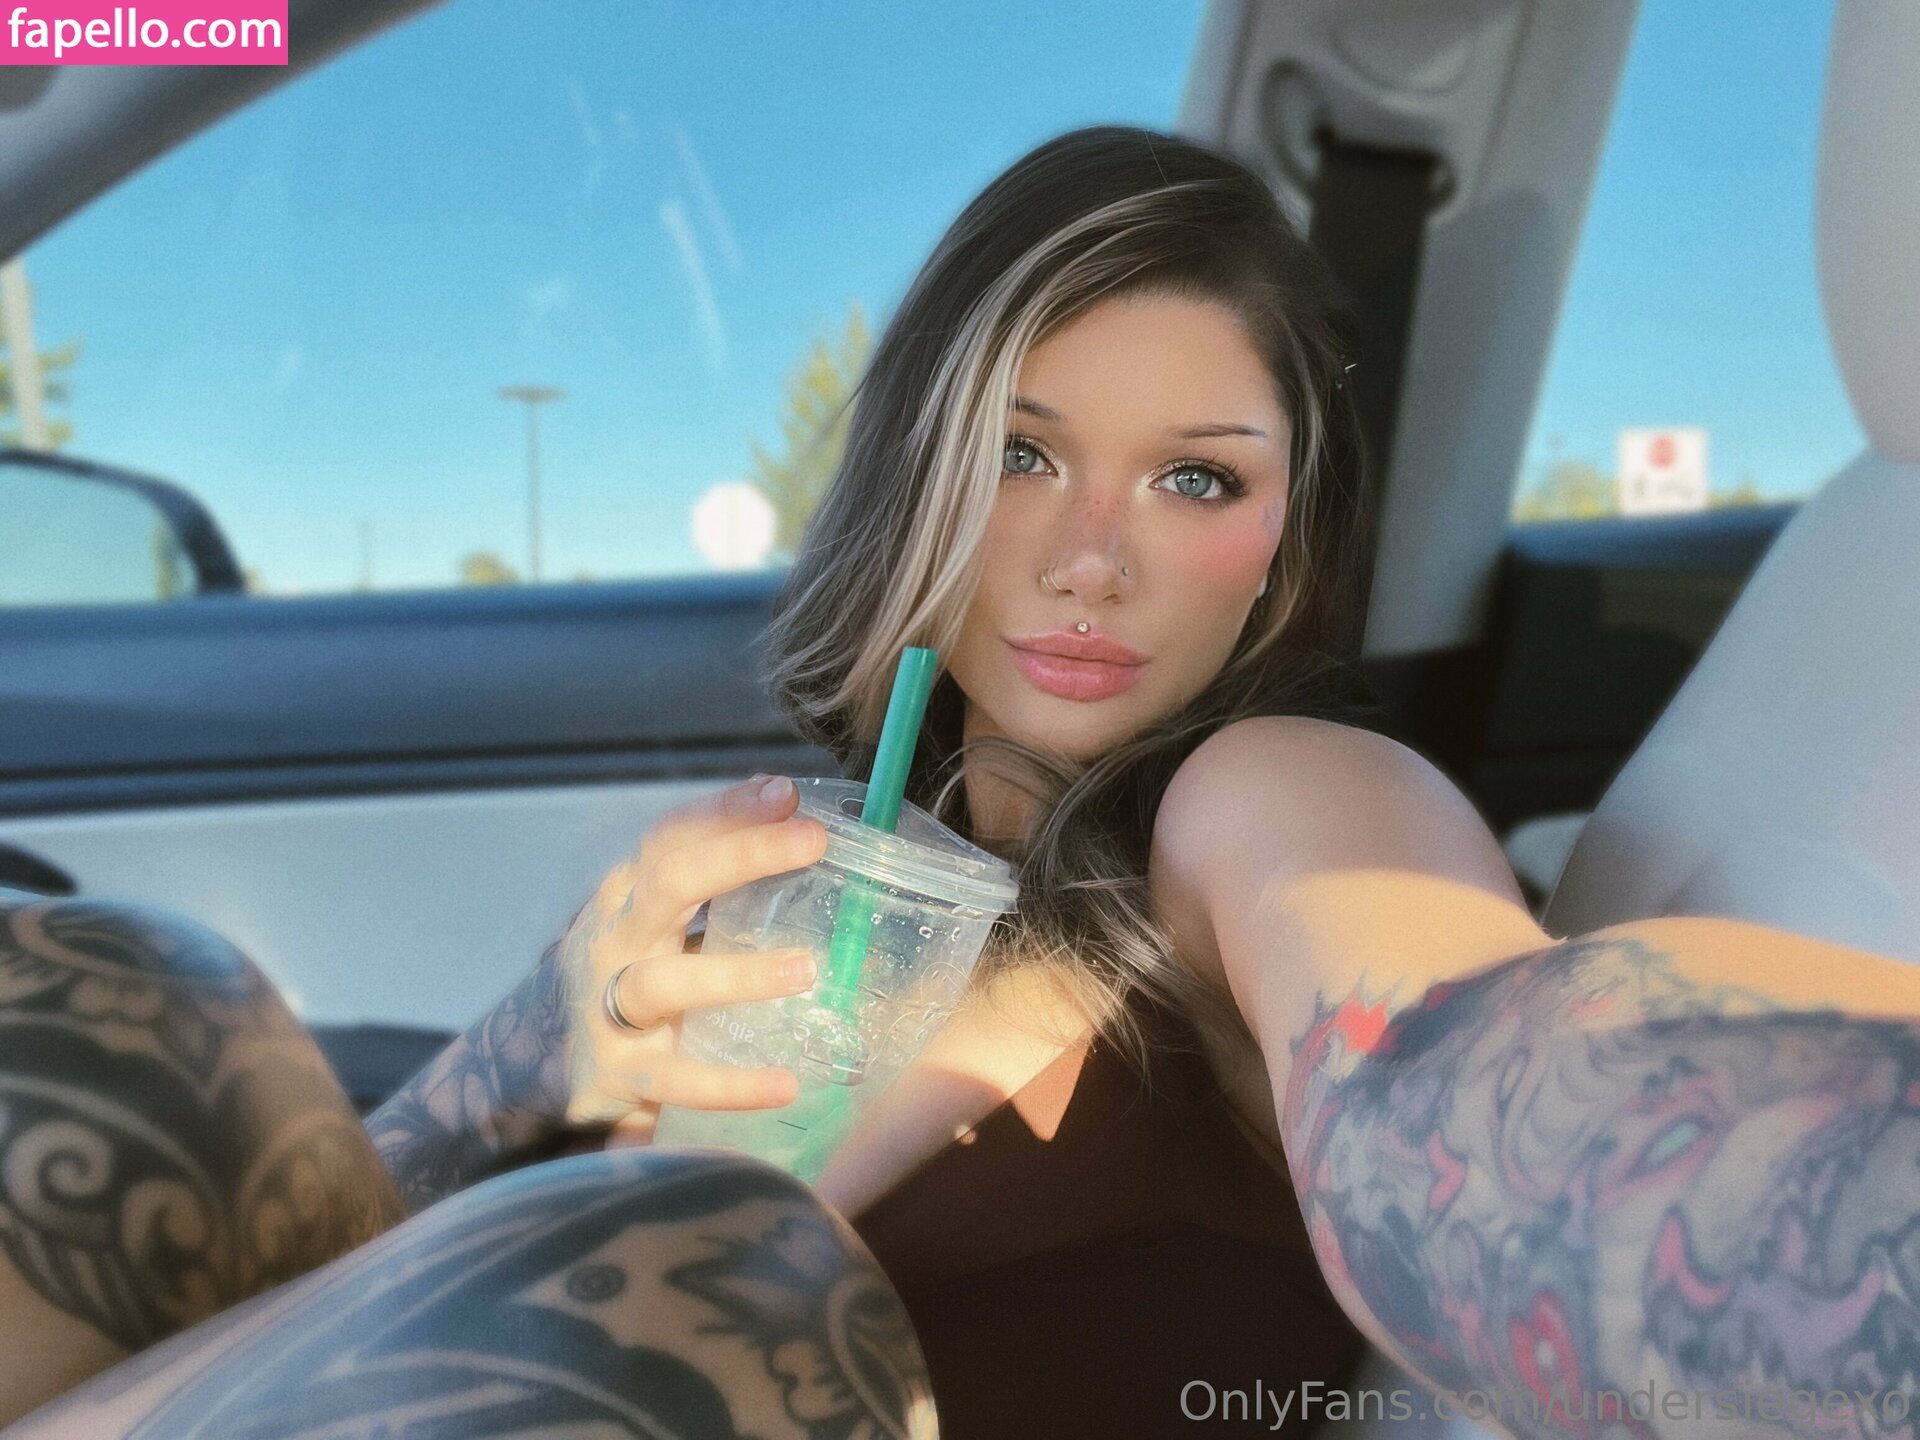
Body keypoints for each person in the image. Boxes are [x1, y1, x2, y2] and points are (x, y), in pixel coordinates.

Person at [4, 124, 1916, 1440]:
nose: (1091, 557)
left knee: (697, 1273)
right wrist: (534, 1049)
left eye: (1195, 478)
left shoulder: (1269, 799)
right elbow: (337, 1297)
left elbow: (1470, 1080)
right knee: (126, 1010)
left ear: (1278, 545)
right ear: (914, 472)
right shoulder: (828, 862)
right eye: (1020, 453)